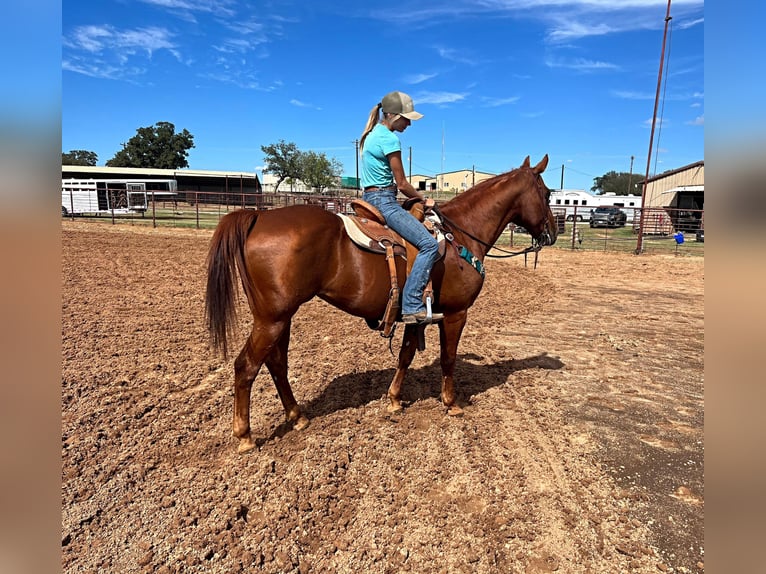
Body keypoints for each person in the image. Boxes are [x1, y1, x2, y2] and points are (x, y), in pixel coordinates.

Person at [359, 91, 443, 325]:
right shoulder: (389, 138)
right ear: (393, 116)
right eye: (407, 119)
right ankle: (412, 304)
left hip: (368, 198)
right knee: (428, 245)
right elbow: (403, 184)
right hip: (384, 201)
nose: (409, 124)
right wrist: (424, 199)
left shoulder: (371, 135)